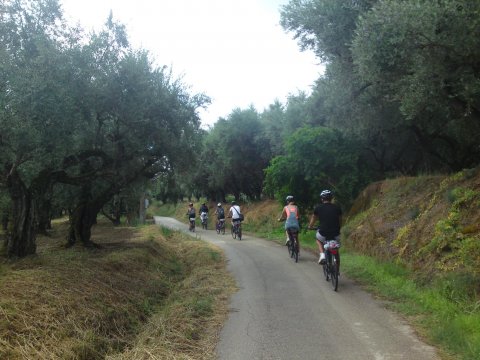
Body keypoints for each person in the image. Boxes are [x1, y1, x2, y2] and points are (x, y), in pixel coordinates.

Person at [308, 190, 342, 265]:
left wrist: (310, 226)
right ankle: (337, 270)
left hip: (323, 233)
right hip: (336, 233)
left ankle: (322, 255)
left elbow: (313, 218)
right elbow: (340, 221)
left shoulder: (318, 208)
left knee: (318, 239)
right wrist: (339, 227)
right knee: (336, 247)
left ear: (322, 199)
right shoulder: (337, 208)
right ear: (331, 198)